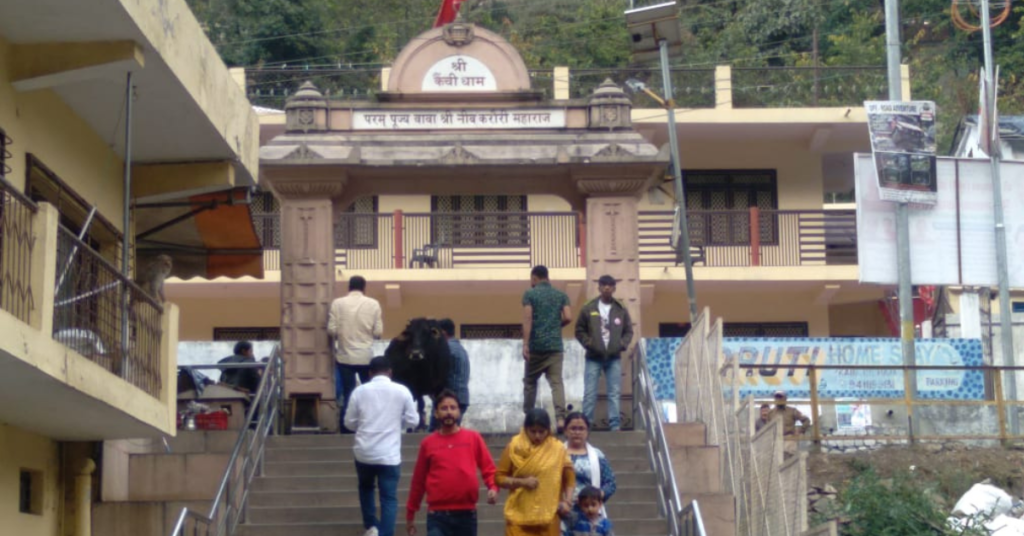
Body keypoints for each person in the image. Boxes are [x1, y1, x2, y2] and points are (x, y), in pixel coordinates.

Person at [344, 356, 419, 536]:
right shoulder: (402, 391)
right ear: (390, 372)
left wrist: (363, 425)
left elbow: (349, 423)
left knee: (366, 488)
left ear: (369, 373)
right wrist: (397, 423)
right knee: (389, 498)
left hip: (364, 451)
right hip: (389, 454)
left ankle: (371, 527)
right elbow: (413, 421)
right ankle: (386, 533)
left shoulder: (359, 392)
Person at [407, 390, 498, 536]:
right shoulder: (428, 444)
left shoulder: (473, 438)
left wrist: (493, 487)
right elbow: (418, 481)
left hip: (466, 515)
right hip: (437, 516)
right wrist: (411, 514)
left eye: (453, 408)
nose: (449, 412)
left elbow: (489, 469)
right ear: (436, 413)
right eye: (444, 408)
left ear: (459, 412)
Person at [496, 408, 575, 536]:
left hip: (548, 517)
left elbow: (569, 475)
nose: (537, 436)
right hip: (518, 517)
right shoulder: (514, 447)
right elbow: (499, 477)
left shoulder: (557, 448)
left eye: (541, 431)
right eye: (533, 431)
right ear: (525, 429)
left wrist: (568, 501)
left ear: (548, 430)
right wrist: (522, 482)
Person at [573, 275, 633, 431]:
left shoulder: (621, 308)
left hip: (614, 357)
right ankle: (586, 424)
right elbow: (579, 330)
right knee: (590, 392)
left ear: (614, 288)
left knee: (614, 392)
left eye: (610, 285)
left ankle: (615, 424)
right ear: (599, 287)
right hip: (593, 357)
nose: (607, 287)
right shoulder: (588, 307)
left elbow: (628, 331)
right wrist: (589, 343)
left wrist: (622, 344)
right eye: (604, 285)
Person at [329, 275, 384, 433]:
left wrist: (343, 332)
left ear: (349, 287)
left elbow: (331, 330)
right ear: (364, 288)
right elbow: (378, 332)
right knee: (369, 393)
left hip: (344, 356)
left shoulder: (337, 304)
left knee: (349, 393)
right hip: (366, 357)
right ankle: (369, 425)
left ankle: (347, 428)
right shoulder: (373, 304)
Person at [522, 265, 572, 432]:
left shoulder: (530, 294)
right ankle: (560, 420)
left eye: (531, 280)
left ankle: (529, 418)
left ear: (534, 278)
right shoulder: (561, 295)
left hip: (536, 346)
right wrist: (556, 326)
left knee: (530, 382)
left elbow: (528, 319)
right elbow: (568, 317)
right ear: (547, 277)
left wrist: (526, 344)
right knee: (556, 383)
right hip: (555, 346)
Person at [562, 413, 615, 528]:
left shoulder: (597, 455)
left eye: (581, 428)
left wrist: (595, 497)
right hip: (563, 512)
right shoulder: (556, 454)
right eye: (573, 428)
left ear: (587, 432)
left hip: (590, 512)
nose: (577, 432)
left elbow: (610, 483)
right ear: (565, 431)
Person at [429, 319, 471, 431]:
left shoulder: (446, 349)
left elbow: (442, 375)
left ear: (443, 333)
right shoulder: (461, 349)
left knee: (435, 433)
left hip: (447, 399)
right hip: (462, 397)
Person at [768, 391, 810, 457]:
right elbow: (767, 429)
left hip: (789, 440)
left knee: (789, 460)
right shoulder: (771, 413)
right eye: (777, 397)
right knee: (776, 462)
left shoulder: (792, 411)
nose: (778, 399)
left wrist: (800, 431)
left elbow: (806, 420)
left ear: (785, 399)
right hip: (776, 440)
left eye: (780, 397)